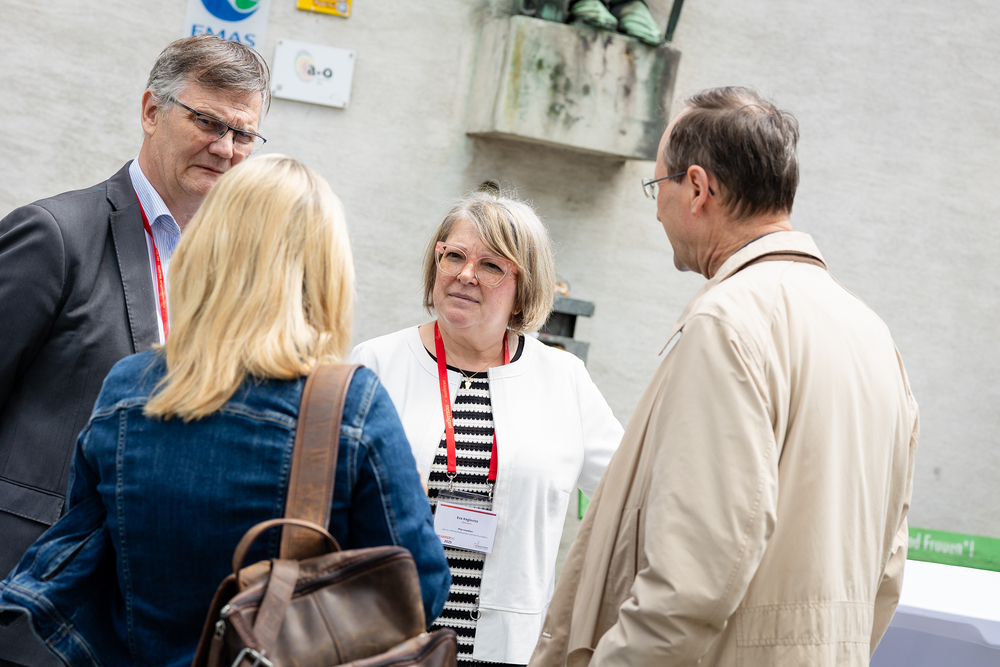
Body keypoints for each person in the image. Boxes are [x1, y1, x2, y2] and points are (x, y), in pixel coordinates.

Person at [0, 155, 451, 666]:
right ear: (327, 271)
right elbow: (420, 592)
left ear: (205, 250)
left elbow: (85, 554)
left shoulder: (128, 386)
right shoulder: (349, 403)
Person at [529, 86, 919, 667]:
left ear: (697, 188)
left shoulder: (727, 322)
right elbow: (887, 568)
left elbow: (691, 579)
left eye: (657, 187)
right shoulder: (872, 334)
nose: (655, 210)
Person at [0, 36, 270, 663]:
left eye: (243, 134)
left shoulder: (238, 272)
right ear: (151, 111)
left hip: (156, 616)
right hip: (31, 598)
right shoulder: (56, 236)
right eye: (208, 122)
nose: (225, 148)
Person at [350, 191, 624, 666]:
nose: (465, 274)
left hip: (508, 647)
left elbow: (629, 499)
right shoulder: (376, 363)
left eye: (491, 265)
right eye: (454, 255)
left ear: (524, 287)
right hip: (384, 638)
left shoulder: (563, 379)